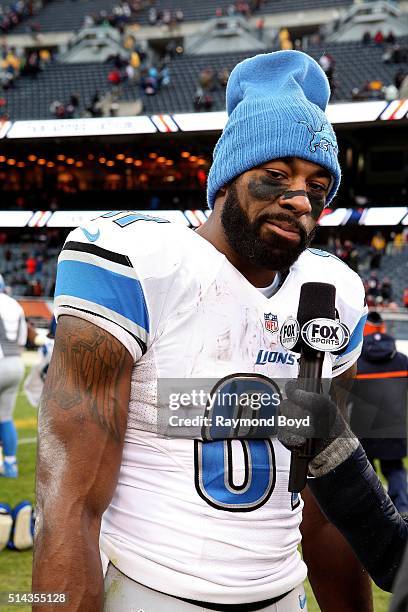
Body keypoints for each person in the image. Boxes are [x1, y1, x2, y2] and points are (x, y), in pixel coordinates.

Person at [33, 51, 370, 611]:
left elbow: (325, 500)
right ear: (227, 178)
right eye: (276, 176)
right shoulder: (137, 260)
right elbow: (68, 503)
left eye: (317, 186)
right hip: (150, 587)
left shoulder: (335, 293)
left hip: (282, 592)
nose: (298, 200)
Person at [350, 319, 408, 514]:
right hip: (393, 425)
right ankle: (402, 509)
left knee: (366, 472)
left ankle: (373, 511)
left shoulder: (357, 362)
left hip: (362, 426)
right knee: (395, 469)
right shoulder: (401, 361)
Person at [0, 274, 27, 478]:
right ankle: (10, 465)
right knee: (5, 417)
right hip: (15, 363)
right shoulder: (15, 305)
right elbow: (21, 341)